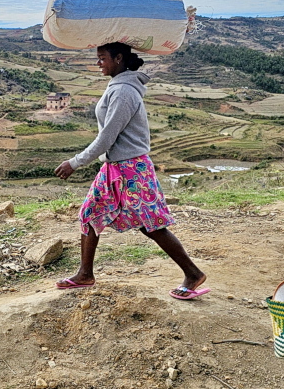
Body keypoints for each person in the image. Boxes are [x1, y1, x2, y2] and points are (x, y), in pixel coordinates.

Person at [53, 42, 208, 299]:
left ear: (119, 58)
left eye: (102, 58)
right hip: (115, 166)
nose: (98, 63)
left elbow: (106, 137)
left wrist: (76, 162)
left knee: (151, 224)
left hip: (132, 169)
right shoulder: (119, 86)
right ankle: (85, 274)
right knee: (90, 213)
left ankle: (193, 273)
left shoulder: (124, 91)